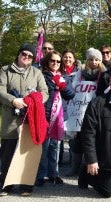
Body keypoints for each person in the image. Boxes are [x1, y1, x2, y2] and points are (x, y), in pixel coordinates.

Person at [0, 43, 49, 196]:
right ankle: (5, 184)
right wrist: (13, 100)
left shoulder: (36, 73)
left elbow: (45, 92)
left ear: (33, 59)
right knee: (7, 152)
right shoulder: (5, 70)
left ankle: (26, 185)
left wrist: (34, 101)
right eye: (24, 54)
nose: (26, 57)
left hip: (30, 119)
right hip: (10, 120)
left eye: (30, 56)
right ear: (18, 54)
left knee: (27, 153)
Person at [36, 50, 75, 187]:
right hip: (46, 116)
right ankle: (40, 175)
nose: (56, 63)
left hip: (59, 117)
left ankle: (54, 174)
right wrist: (54, 84)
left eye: (58, 61)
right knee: (44, 147)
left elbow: (71, 95)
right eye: (53, 60)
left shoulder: (64, 76)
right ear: (47, 61)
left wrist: (62, 86)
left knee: (56, 147)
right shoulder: (41, 76)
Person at [65, 48, 106, 177]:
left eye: (97, 59)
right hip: (80, 111)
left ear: (100, 61)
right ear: (87, 61)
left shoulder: (104, 74)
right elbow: (73, 89)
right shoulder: (80, 74)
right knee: (77, 140)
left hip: (96, 111)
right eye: (91, 59)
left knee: (94, 139)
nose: (94, 62)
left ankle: (91, 167)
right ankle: (75, 167)